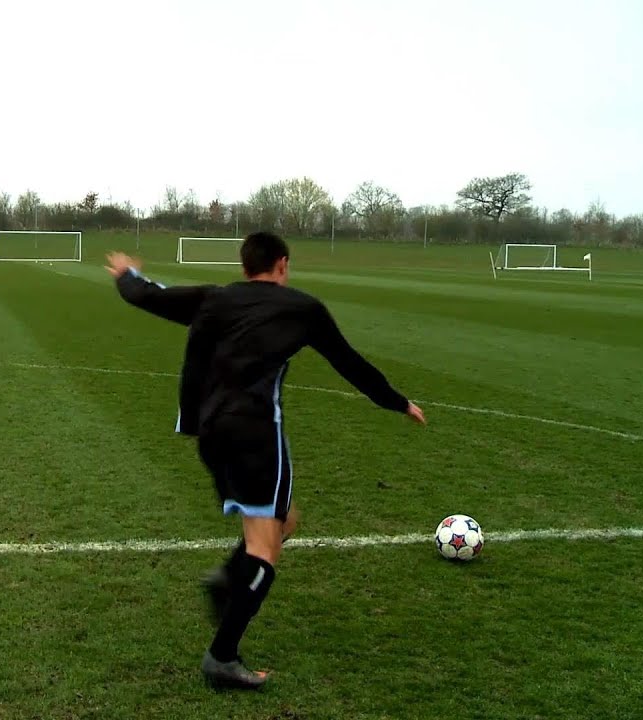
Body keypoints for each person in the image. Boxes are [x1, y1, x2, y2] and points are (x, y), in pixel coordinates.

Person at [105, 231, 425, 691]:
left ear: (244, 265)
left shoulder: (216, 299)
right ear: (282, 264)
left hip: (210, 433)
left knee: (284, 519)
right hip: (254, 432)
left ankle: (229, 579)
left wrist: (126, 274)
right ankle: (222, 656)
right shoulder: (301, 308)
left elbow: (149, 296)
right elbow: (348, 362)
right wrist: (397, 402)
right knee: (265, 546)